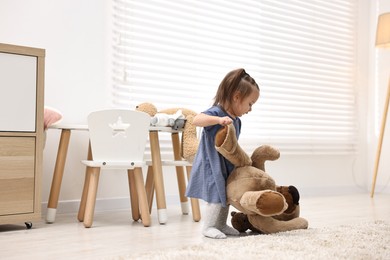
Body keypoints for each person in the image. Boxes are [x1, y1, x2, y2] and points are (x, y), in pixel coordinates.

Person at [185, 68, 260, 239]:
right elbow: (197, 120)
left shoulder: (237, 121)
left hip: (226, 165)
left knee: (225, 195)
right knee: (215, 196)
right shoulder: (217, 112)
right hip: (211, 163)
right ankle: (209, 226)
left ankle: (220, 224)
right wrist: (218, 120)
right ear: (236, 97)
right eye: (250, 103)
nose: (250, 109)